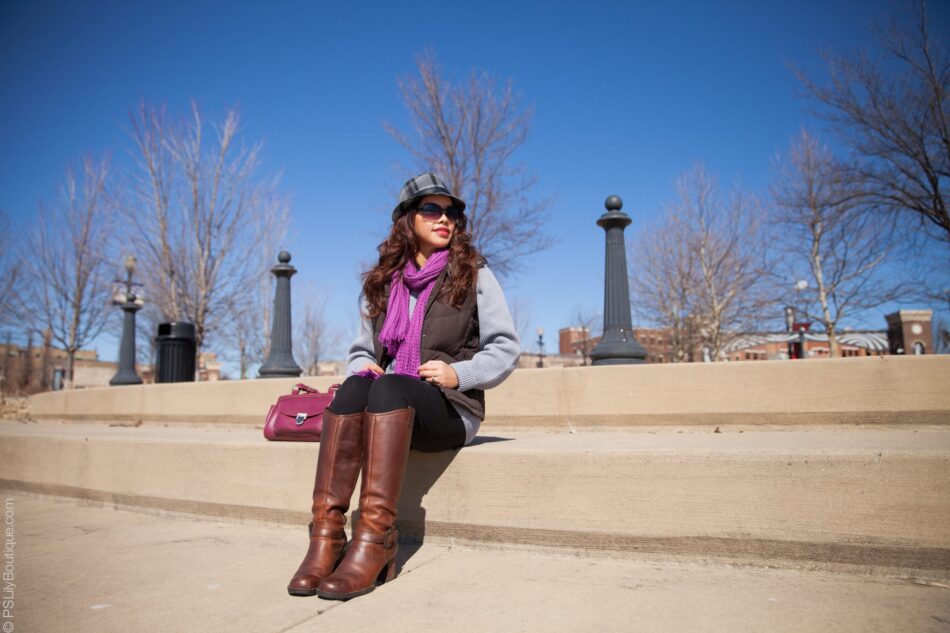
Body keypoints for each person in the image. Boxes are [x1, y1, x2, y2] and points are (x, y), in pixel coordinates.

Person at [287, 172, 520, 601]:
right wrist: (365, 368)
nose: (444, 218)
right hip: (389, 404)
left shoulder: (473, 273)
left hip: (450, 407)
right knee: (357, 387)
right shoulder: (381, 282)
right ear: (407, 220)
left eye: (451, 212)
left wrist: (459, 374)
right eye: (431, 209)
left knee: (391, 387)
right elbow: (360, 350)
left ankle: (375, 539)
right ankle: (327, 536)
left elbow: (505, 348)